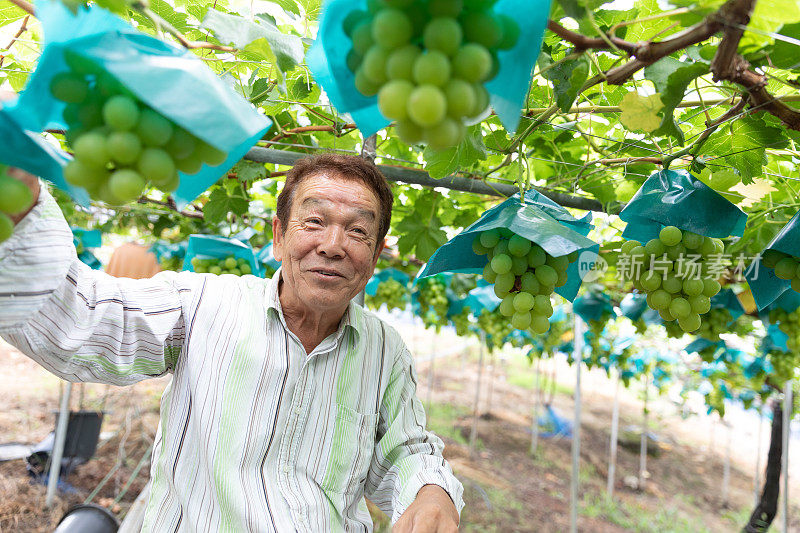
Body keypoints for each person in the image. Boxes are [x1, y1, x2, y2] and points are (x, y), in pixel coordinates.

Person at [0, 153, 463, 532]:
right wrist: (20, 215)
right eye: (314, 222)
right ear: (279, 238)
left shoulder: (385, 350)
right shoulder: (202, 304)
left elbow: (404, 448)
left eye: (358, 230)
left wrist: (431, 489)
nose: (333, 244)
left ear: (376, 256)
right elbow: (87, 321)